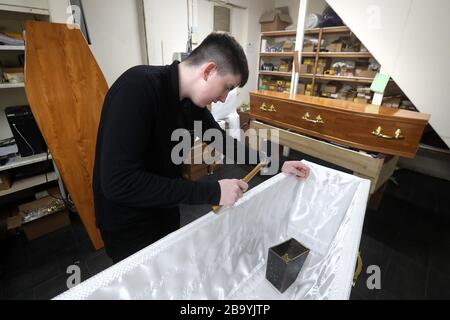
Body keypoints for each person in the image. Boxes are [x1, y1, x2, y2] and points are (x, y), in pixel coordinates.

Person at [93, 32, 310, 263]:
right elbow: (118, 182)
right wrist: (212, 191)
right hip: (128, 225)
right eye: (227, 87)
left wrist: (278, 165)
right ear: (208, 70)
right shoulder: (137, 88)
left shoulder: (189, 104)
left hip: (163, 209)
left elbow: (225, 143)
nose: (224, 99)